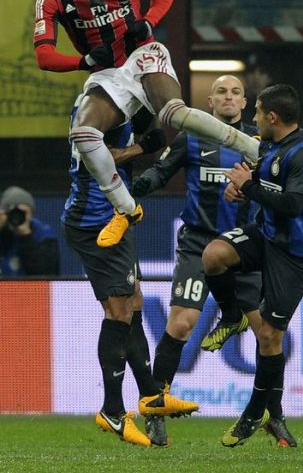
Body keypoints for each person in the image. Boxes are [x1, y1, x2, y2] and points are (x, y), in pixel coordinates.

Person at [33, 0, 259, 250]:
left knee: (172, 114)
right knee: (83, 134)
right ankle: (126, 209)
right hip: (108, 74)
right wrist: (83, 62)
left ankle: (254, 149)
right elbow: (44, 56)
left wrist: (149, 21)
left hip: (143, 54)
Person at [131, 75, 297, 447]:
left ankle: (276, 416)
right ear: (210, 102)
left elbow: (284, 185)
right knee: (182, 324)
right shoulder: (193, 138)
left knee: (268, 335)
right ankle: (155, 410)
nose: (228, 97)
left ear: (244, 103)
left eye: (236, 92)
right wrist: (141, 185)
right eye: (221, 91)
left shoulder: (259, 142)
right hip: (198, 244)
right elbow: (162, 169)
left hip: (243, 248)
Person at [62, 95, 199, 447]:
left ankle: (151, 394)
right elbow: (95, 159)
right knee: (119, 310)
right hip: (96, 218)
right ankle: (112, 409)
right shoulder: (99, 104)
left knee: (133, 301)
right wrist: (141, 148)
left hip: (112, 217)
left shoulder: (112, 103)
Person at [201, 84, 303, 447]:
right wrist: (241, 186)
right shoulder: (270, 145)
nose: (253, 118)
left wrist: (250, 186)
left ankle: (257, 413)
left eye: (256, 111)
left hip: (295, 252)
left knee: (270, 336)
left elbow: (293, 205)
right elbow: (262, 181)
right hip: (266, 235)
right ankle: (231, 315)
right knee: (214, 256)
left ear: (273, 117)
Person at [0, 185, 59, 277]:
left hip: (33, 289)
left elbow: (46, 273)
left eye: (23, 213)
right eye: (13, 213)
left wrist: (26, 236)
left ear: (32, 214)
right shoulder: (3, 231)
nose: (18, 217)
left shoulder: (44, 235)